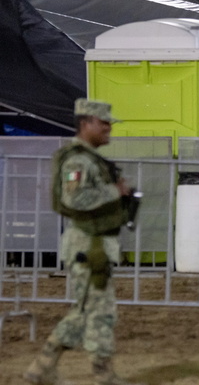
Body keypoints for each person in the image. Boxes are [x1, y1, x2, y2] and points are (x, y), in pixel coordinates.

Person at [25, 99, 141, 385]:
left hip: (95, 245)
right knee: (100, 311)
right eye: (103, 123)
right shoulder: (79, 161)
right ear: (86, 123)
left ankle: (41, 369)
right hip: (89, 246)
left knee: (84, 310)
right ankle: (104, 375)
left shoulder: (89, 159)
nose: (108, 128)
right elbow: (73, 198)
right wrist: (114, 191)